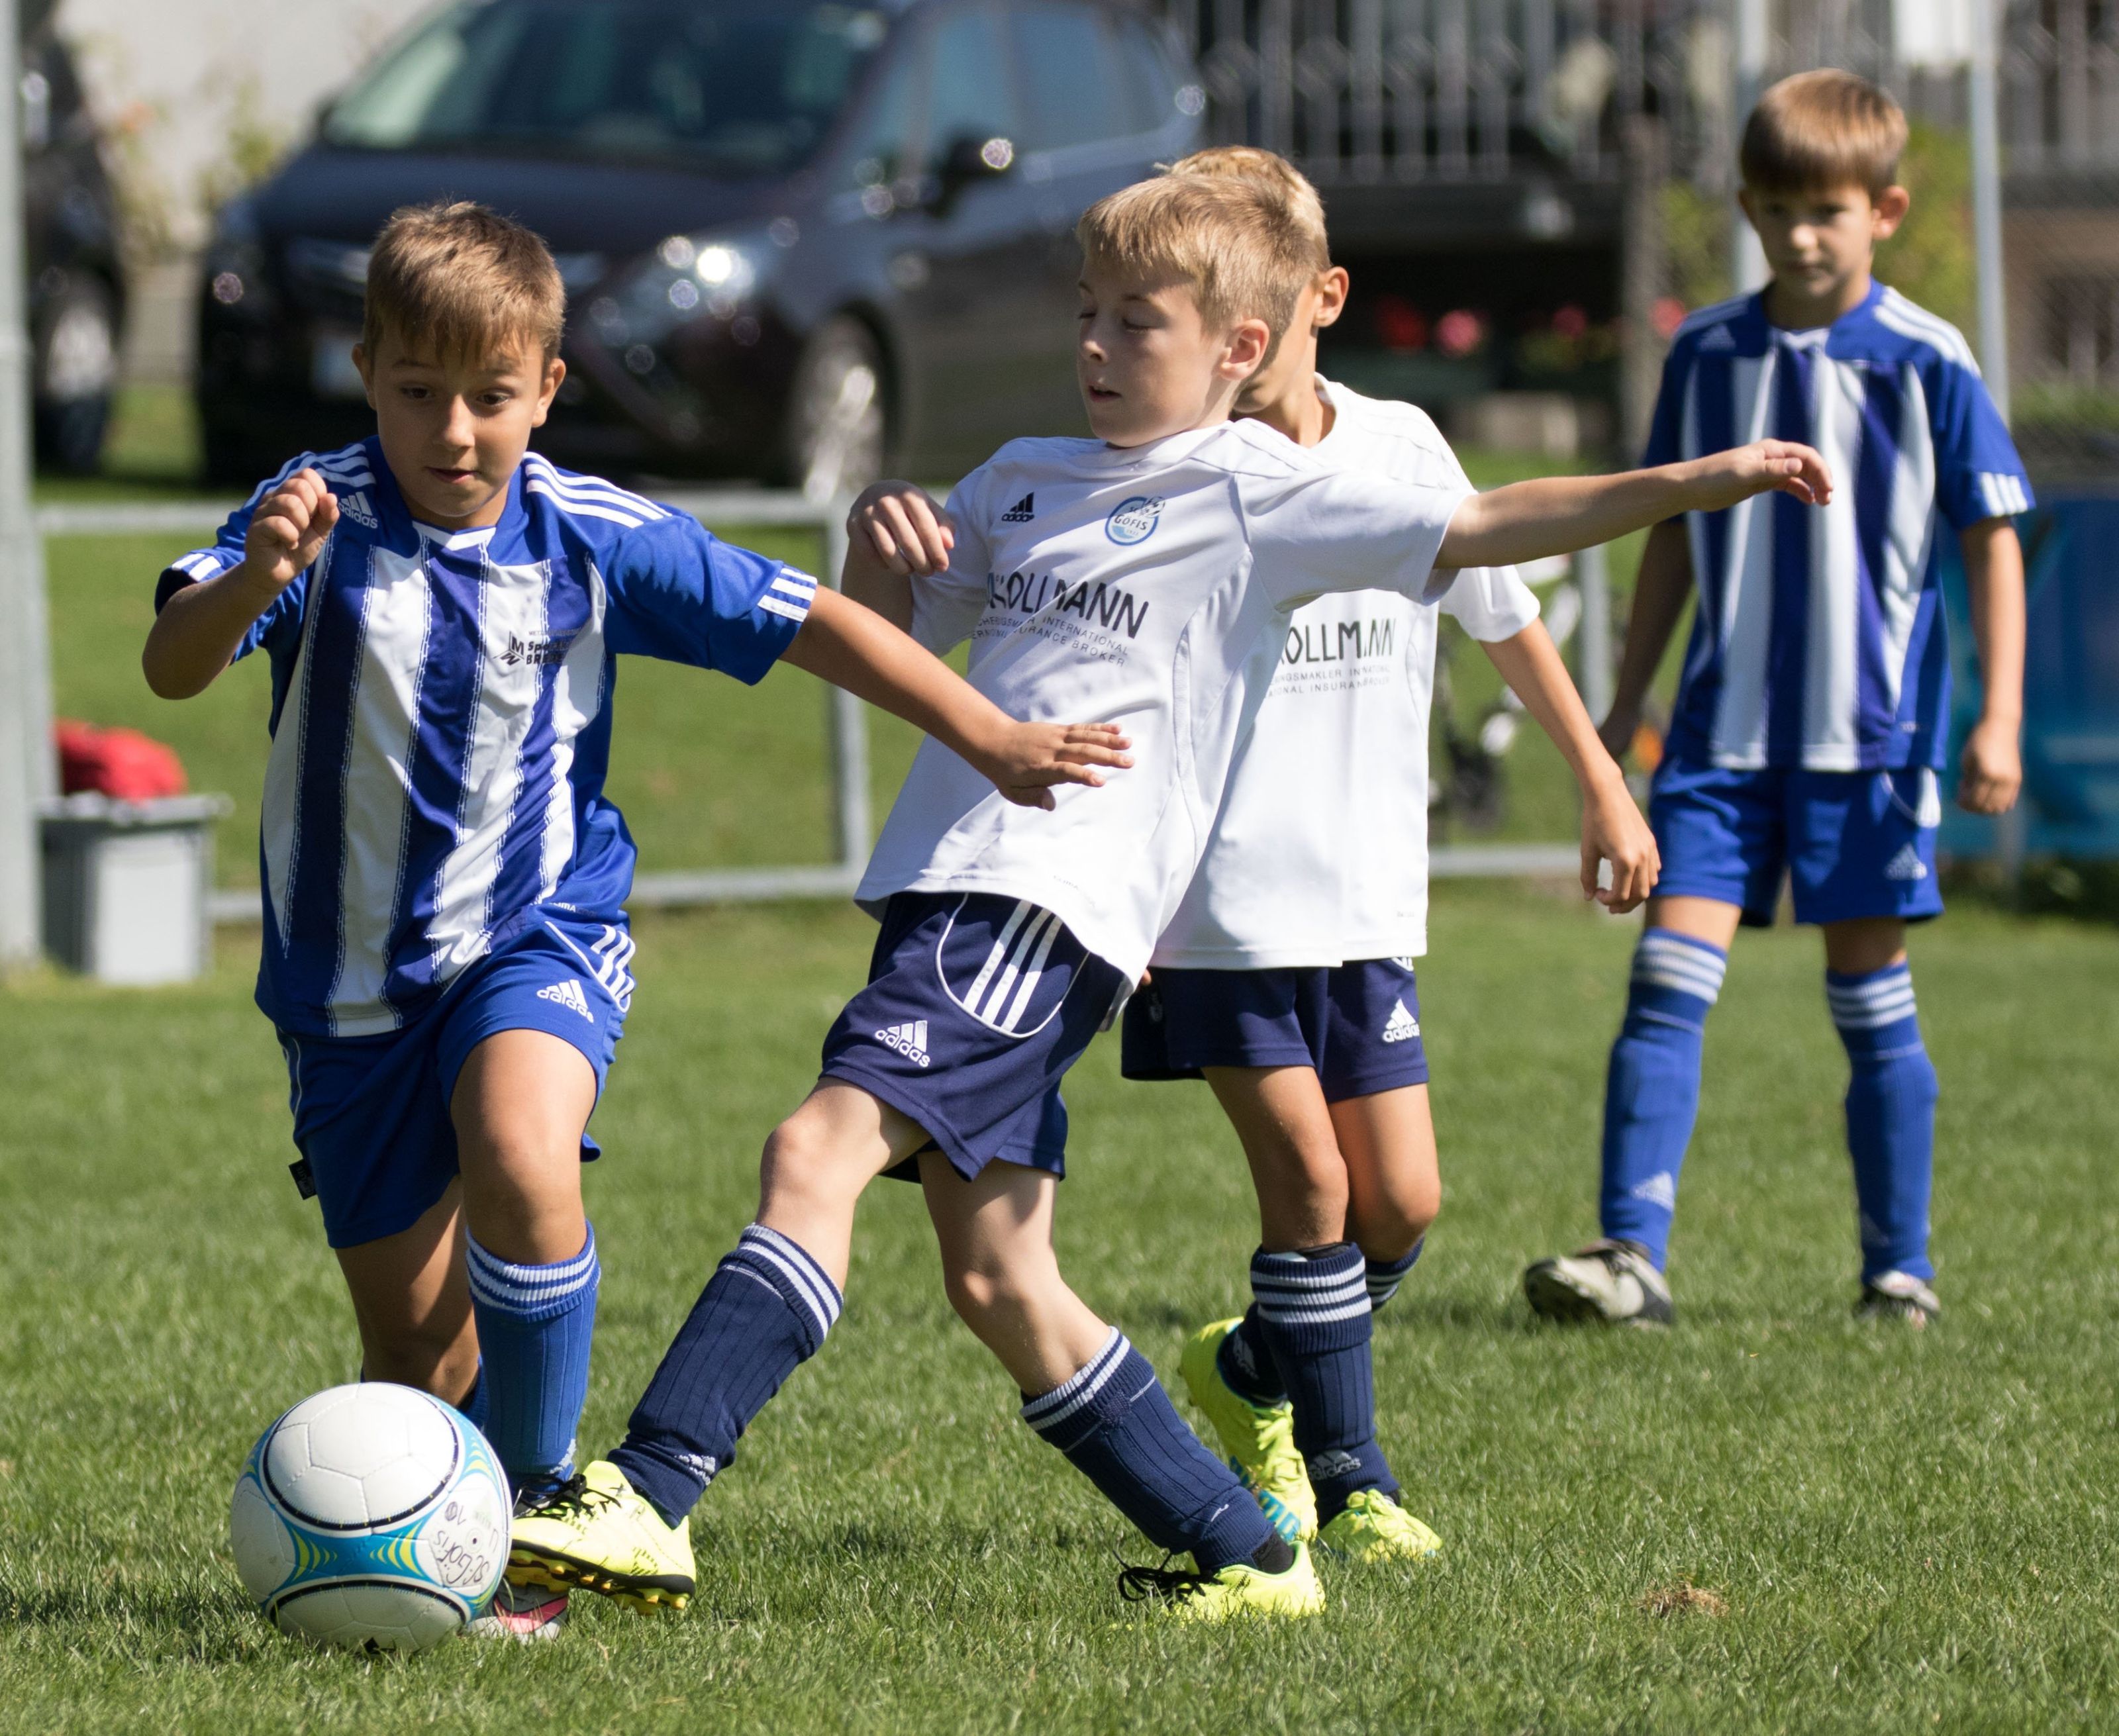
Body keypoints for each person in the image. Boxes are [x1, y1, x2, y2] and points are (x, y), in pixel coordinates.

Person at [507, 171, 1830, 1623]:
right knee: (1004, 1280)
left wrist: (1698, 483)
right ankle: (1247, 1552)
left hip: (1040, 896)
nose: (1095, 345)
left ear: (1237, 351)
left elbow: (1489, 524)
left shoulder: (1260, 496)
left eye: (1136, 323)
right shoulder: (1016, 477)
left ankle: (647, 1488)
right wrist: (885, 549)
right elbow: (920, 649)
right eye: (1088, 315)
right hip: (954, 886)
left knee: (812, 1152)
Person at [141, 201, 1128, 1640]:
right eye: (419, 393)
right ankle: (430, 1550)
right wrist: (253, 579)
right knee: (416, 1357)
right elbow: (172, 666)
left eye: (492, 397)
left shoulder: (591, 534)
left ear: (548, 387)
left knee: (524, 1149)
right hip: (345, 991)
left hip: (538, 935)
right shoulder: (314, 511)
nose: (456, 430)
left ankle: (544, 1522)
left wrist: (987, 732)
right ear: (365, 374)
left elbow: (808, 621)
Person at [1115, 147, 1655, 1561]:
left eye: (1262, 314)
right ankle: (1351, 1483)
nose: (1234, 347)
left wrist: (1601, 782)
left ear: (1319, 300)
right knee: (1307, 1185)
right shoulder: (1179, 475)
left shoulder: (1403, 448)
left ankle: (1247, 1377)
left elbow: (1502, 618)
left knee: (1401, 1206)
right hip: (1218, 909)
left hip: (1364, 905)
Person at [1522, 71, 2029, 1329]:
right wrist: (1620, 707)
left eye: (1831, 210)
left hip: (1873, 748)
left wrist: (2000, 714)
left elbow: (1993, 537)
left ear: (1886, 211)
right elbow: (1672, 538)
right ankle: (1630, 1256)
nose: (1804, 234)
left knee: (1869, 1000)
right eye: (1780, 209)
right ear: (1746, 206)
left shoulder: (1929, 361)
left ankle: (1896, 1271)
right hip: (1718, 743)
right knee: (1665, 981)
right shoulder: (1707, 353)